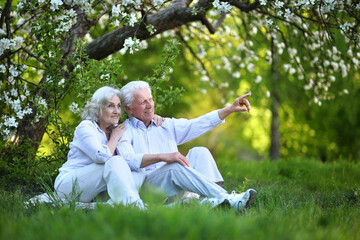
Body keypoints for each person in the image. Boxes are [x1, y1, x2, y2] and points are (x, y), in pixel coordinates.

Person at [118, 81, 257, 212]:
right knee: (174, 167)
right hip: (149, 190)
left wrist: (230, 109)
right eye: (143, 102)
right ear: (129, 109)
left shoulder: (165, 124)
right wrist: (165, 157)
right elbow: (128, 160)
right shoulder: (124, 131)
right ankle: (226, 198)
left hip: (175, 188)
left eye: (151, 99)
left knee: (200, 152)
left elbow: (196, 124)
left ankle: (210, 201)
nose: (149, 105)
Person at [53, 86, 163, 209]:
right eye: (111, 106)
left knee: (138, 170)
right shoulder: (86, 127)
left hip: (95, 190)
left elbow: (131, 159)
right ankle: (135, 206)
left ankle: (121, 203)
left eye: (118, 106)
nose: (117, 111)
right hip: (69, 186)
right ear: (98, 109)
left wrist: (151, 117)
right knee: (116, 161)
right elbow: (102, 156)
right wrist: (115, 137)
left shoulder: (116, 129)